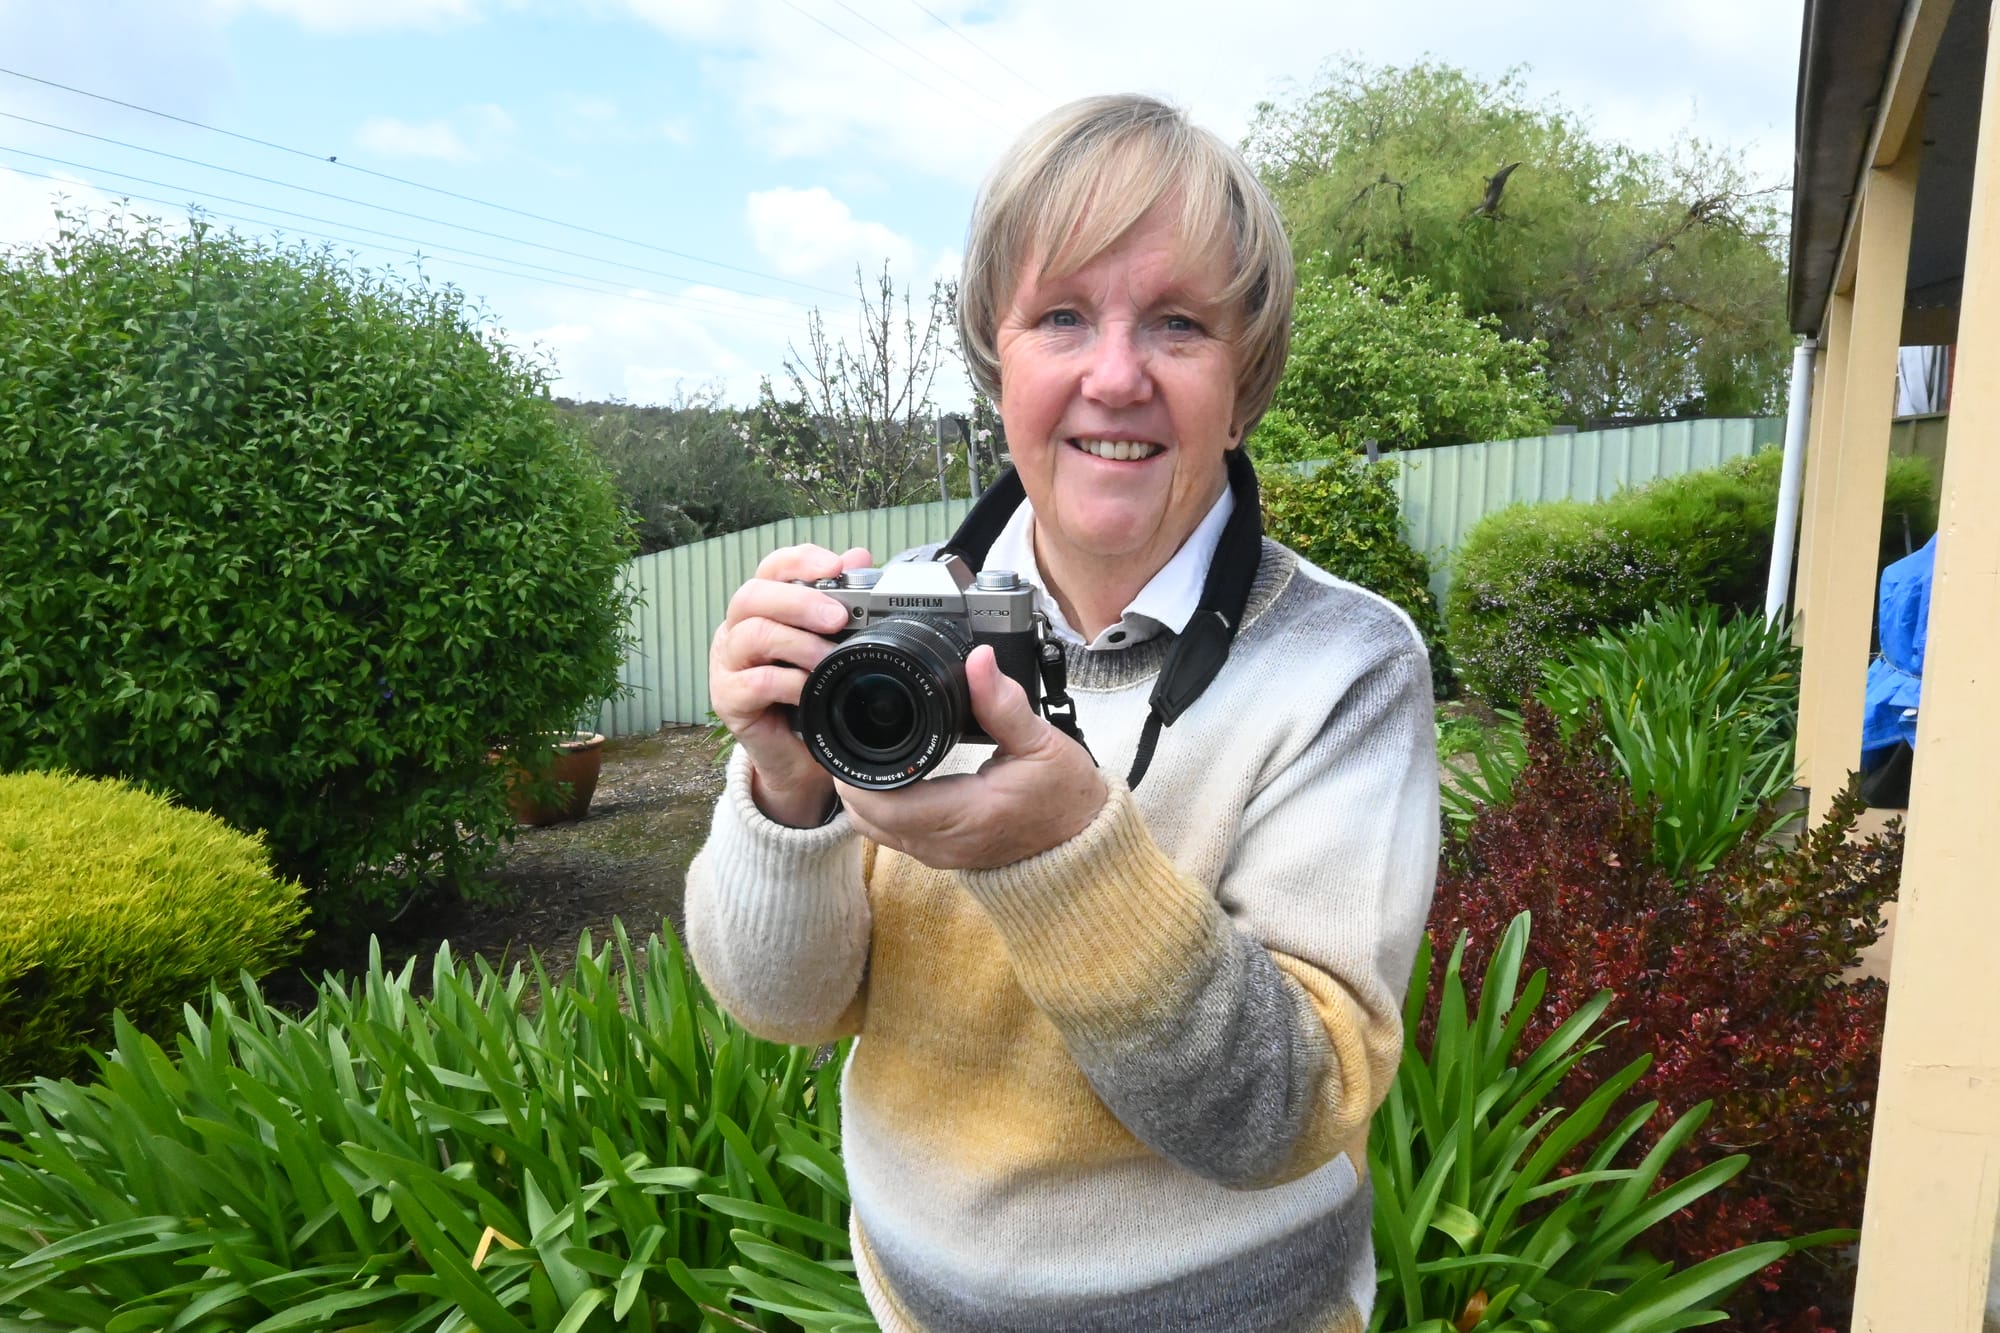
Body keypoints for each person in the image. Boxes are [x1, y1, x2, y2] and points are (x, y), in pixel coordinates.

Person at [688, 93, 1438, 1332]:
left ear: (1244, 386)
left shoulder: (1340, 665)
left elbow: (1283, 1113)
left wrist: (1058, 851)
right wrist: (786, 792)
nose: (1114, 374)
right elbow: (784, 1008)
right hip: (912, 1305)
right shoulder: (886, 631)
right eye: (1062, 317)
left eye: (1180, 325)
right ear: (999, 364)